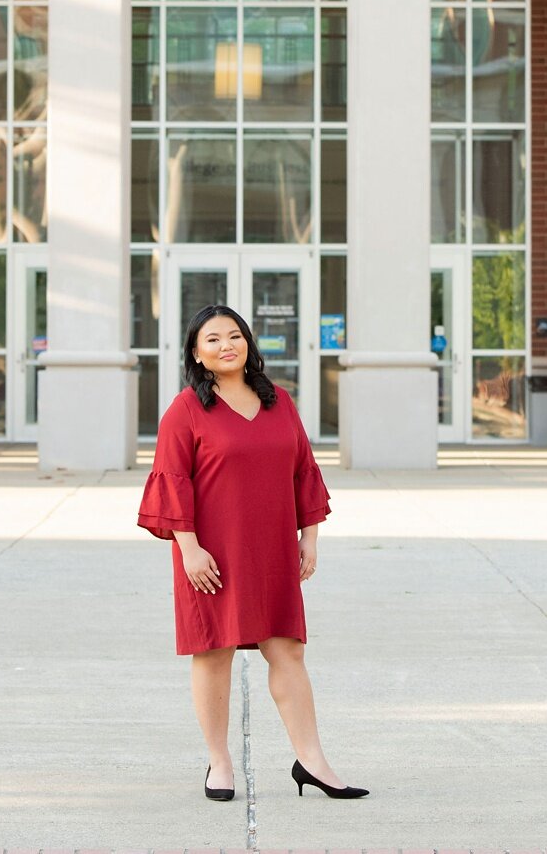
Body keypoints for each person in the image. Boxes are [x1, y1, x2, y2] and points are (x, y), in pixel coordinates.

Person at [137, 302, 369, 802]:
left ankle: (313, 762)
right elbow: (172, 483)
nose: (227, 346)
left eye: (234, 335)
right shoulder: (186, 410)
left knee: (287, 649)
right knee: (213, 651)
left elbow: (303, 469)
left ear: (248, 343)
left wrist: (309, 537)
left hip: (271, 548)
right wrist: (190, 550)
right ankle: (219, 764)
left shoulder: (278, 402)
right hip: (209, 554)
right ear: (197, 355)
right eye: (213, 339)